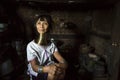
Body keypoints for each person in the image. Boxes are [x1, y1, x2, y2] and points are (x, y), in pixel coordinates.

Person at [26, 15, 68, 80]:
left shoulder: (51, 45)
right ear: (35, 26)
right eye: (39, 23)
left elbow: (62, 61)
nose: (41, 26)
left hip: (50, 66)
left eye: (45, 23)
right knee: (52, 75)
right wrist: (48, 69)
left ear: (49, 27)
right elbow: (35, 67)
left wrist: (59, 66)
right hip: (37, 70)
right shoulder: (31, 46)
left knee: (62, 72)